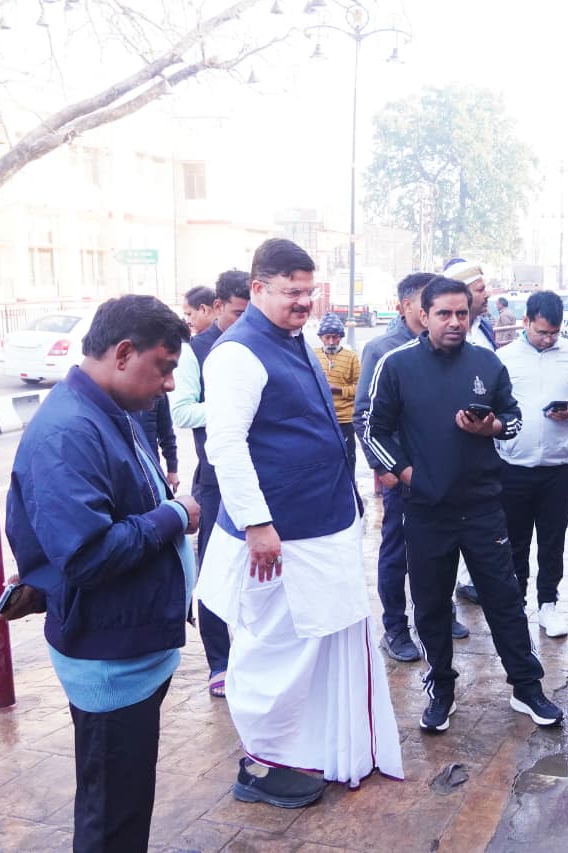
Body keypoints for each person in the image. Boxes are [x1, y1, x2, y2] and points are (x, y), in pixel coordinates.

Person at [197, 238, 402, 807]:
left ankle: (320, 749)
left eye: (309, 292)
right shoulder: (236, 354)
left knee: (322, 643)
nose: (303, 303)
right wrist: (258, 524)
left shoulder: (295, 340)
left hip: (322, 525)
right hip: (279, 539)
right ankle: (264, 765)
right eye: (292, 292)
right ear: (257, 288)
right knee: (275, 650)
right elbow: (226, 447)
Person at [1, 294, 197, 851]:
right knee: (111, 813)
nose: (168, 385)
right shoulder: (69, 431)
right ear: (123, 353)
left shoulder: (112, 411)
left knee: (128, 801)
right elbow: (87, 555)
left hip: (130, 643)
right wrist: (173, 515)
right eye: (164, 368)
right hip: (107, 656)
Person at [365, 276, 564, 732]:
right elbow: (374, 429)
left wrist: (491, 428)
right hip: (425, 510)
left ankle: (527, 688)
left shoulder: (486, 363)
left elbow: (512, 420)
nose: (455, 322)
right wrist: (408, 474)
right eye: (444, 314)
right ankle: (442, 689)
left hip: (483, 506)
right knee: (431, 603)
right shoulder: (396, 366)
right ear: (423, 314)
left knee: (505, 599)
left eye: (462, 313)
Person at [354, 273, 469, 663]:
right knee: (397, 551)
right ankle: (395, 629)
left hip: (447, 475)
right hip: (403, 476)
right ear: (406, 307)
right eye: (427, 304)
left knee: (446, 546)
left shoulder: (449, 348)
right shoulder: (383, 350)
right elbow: (364, 417)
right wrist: (387, 470)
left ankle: (440, 614)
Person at [497, 291, 568, 637]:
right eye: (541, 332)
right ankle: (515, 608)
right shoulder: (504, 358)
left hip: (557, 468)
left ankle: (548, 605)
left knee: (552, 540)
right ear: (525, 322)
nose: (547, 339)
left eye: (553, 333)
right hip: (513, 467)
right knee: (515, 542)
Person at [168, 269, 250, 697]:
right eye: (238, 313)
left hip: (264, 476)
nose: (246, 320)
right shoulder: (194, 352)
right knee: (217, 573)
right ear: (217, 307)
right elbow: (181, 412)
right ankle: (219, 662)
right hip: (216, 478)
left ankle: (258, 657)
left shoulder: (268, 342)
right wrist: (230, 409)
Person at [314, 312, 361, 473]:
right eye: (327, 337)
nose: (331, 342)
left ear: (341, 337)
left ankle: (349, 489)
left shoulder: (352, 357)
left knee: (347, 457)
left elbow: (361, 389)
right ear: (321, 337)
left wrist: (338, 389)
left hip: (345, 419)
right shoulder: (313, 355)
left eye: (335, 337)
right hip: (320, 417)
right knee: (322, 458)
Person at [443, 257, 496, 349]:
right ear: (461, 295)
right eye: (480, 290)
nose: (487, 295)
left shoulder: (485, 326)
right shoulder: (443, 334)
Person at [138, 394, 179, 492]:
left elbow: (166, 433)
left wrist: (172, 469)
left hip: (151, 469)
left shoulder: (156, 391)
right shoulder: (115, 391)